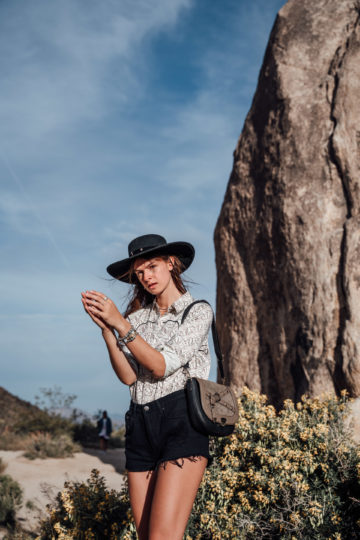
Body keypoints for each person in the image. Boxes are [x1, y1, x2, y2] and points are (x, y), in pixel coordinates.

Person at [81, 234, 213, 540]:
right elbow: (129, 377)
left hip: (181, 423)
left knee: (163, 537)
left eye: (152, 266)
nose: (147, 277)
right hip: (140, 423)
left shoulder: (197, 312)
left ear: (171, 263)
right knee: (145, 536)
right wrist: (108, 331)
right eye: (140, 273)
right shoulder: (136, 319)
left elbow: (161, 366)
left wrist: (122, 325)